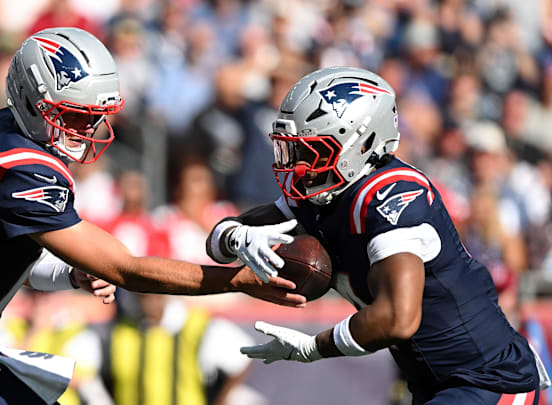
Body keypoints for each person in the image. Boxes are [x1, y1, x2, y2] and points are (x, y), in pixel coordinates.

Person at [0, 27, 306, 405]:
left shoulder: (6, 130)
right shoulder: (22, 164)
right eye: (74, 116)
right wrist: (236, 281)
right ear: (35, 102)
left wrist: (71, 276)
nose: (87, 131)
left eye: (92, 117)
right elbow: (126, 269)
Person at [205, 67, 551, 404]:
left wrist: (315, 347)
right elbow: (230, 233)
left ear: (361, 143)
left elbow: (398, 318)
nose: (299, 168)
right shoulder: (327, 190)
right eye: (294, 151)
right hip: (436, 384)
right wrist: (234, 237)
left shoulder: (393, 195)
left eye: (313, 153)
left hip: (490, 379)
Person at [100, 291, 256, 405]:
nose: (147, 301)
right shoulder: (121, 331)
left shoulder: (197, 326)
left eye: (152, 294)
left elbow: (242, 357)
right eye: (141, 295)